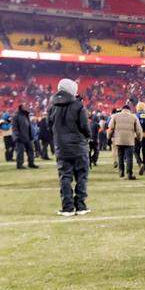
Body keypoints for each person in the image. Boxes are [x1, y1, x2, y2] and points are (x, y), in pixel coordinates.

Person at [49, 78, 92, 216]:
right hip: (79, 147)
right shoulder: (78, 106)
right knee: (81, 177)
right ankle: (81, 206)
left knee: (65, 177)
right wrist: (88, 136)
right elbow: (85, 126)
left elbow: (49, 126)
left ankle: (67, 207)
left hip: (62, 148)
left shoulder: (52, 106)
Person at [108, 104, 142, 180]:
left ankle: (121, 172)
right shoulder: (133, 117)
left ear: (122, 109)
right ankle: (129, 174)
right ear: (129, 110)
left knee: (120, 156)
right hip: (129, 140)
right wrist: (139, 138)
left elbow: (110, 128)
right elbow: (138, 130)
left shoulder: (115, 116)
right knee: (129, 157)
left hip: (119, 140)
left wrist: (109, 137)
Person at [13, 104, 38, 169]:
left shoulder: (26, 115)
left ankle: (31, 163)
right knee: (20, 152)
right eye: (24, 107)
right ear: (21, 108)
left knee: (31, 150)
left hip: (28, 136)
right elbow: (15, 127)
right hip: (20, 137)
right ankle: (19, 165)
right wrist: (17, 136)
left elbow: (29, 126)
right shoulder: (16, 116)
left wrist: (31, 135)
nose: (26, 108)